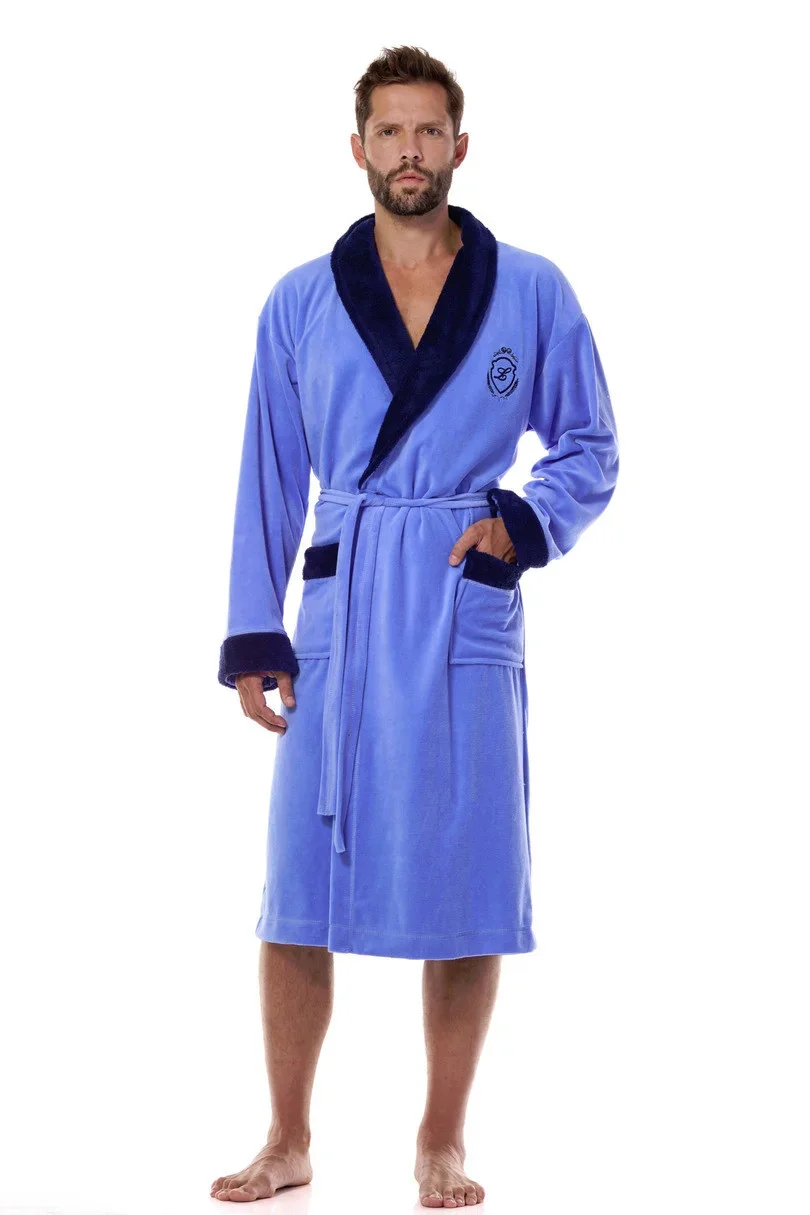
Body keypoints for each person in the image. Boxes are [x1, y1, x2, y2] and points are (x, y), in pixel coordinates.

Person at [212, 44, 619, 1209]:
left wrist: (521, 522)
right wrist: (255, 633)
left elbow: (591, 446)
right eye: (388, 131)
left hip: (457, 594)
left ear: (459, 147)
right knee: (299, 880)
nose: (409, 150)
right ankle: (288, 1137)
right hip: (343, 601)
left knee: (468, 870)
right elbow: (270, 476)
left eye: (428, 130)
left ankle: (441, 1139)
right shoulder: (300, 301)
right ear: (358, 149)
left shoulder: (530, 290)